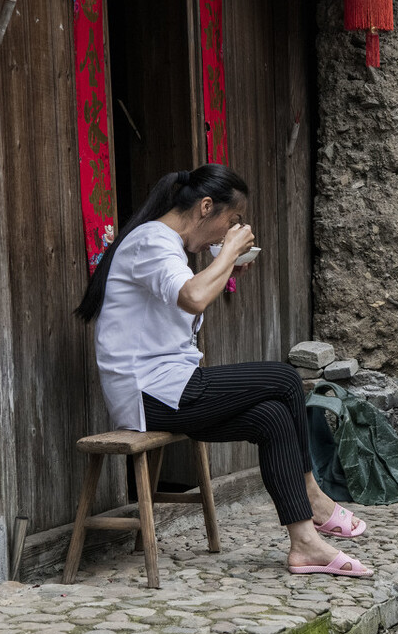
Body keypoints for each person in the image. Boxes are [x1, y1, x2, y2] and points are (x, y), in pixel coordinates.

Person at [75, 165, 372, 578]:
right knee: (285, 379)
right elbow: (194, 297)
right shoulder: (152, 241)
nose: (227, 232)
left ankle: (304, 543)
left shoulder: (166, 244)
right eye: (230, 222)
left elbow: (187, 296)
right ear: (205, 206)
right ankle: (313, 495)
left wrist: (227, 265)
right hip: (149, 396)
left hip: (168, 389)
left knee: (271, 419)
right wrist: (229, 252)